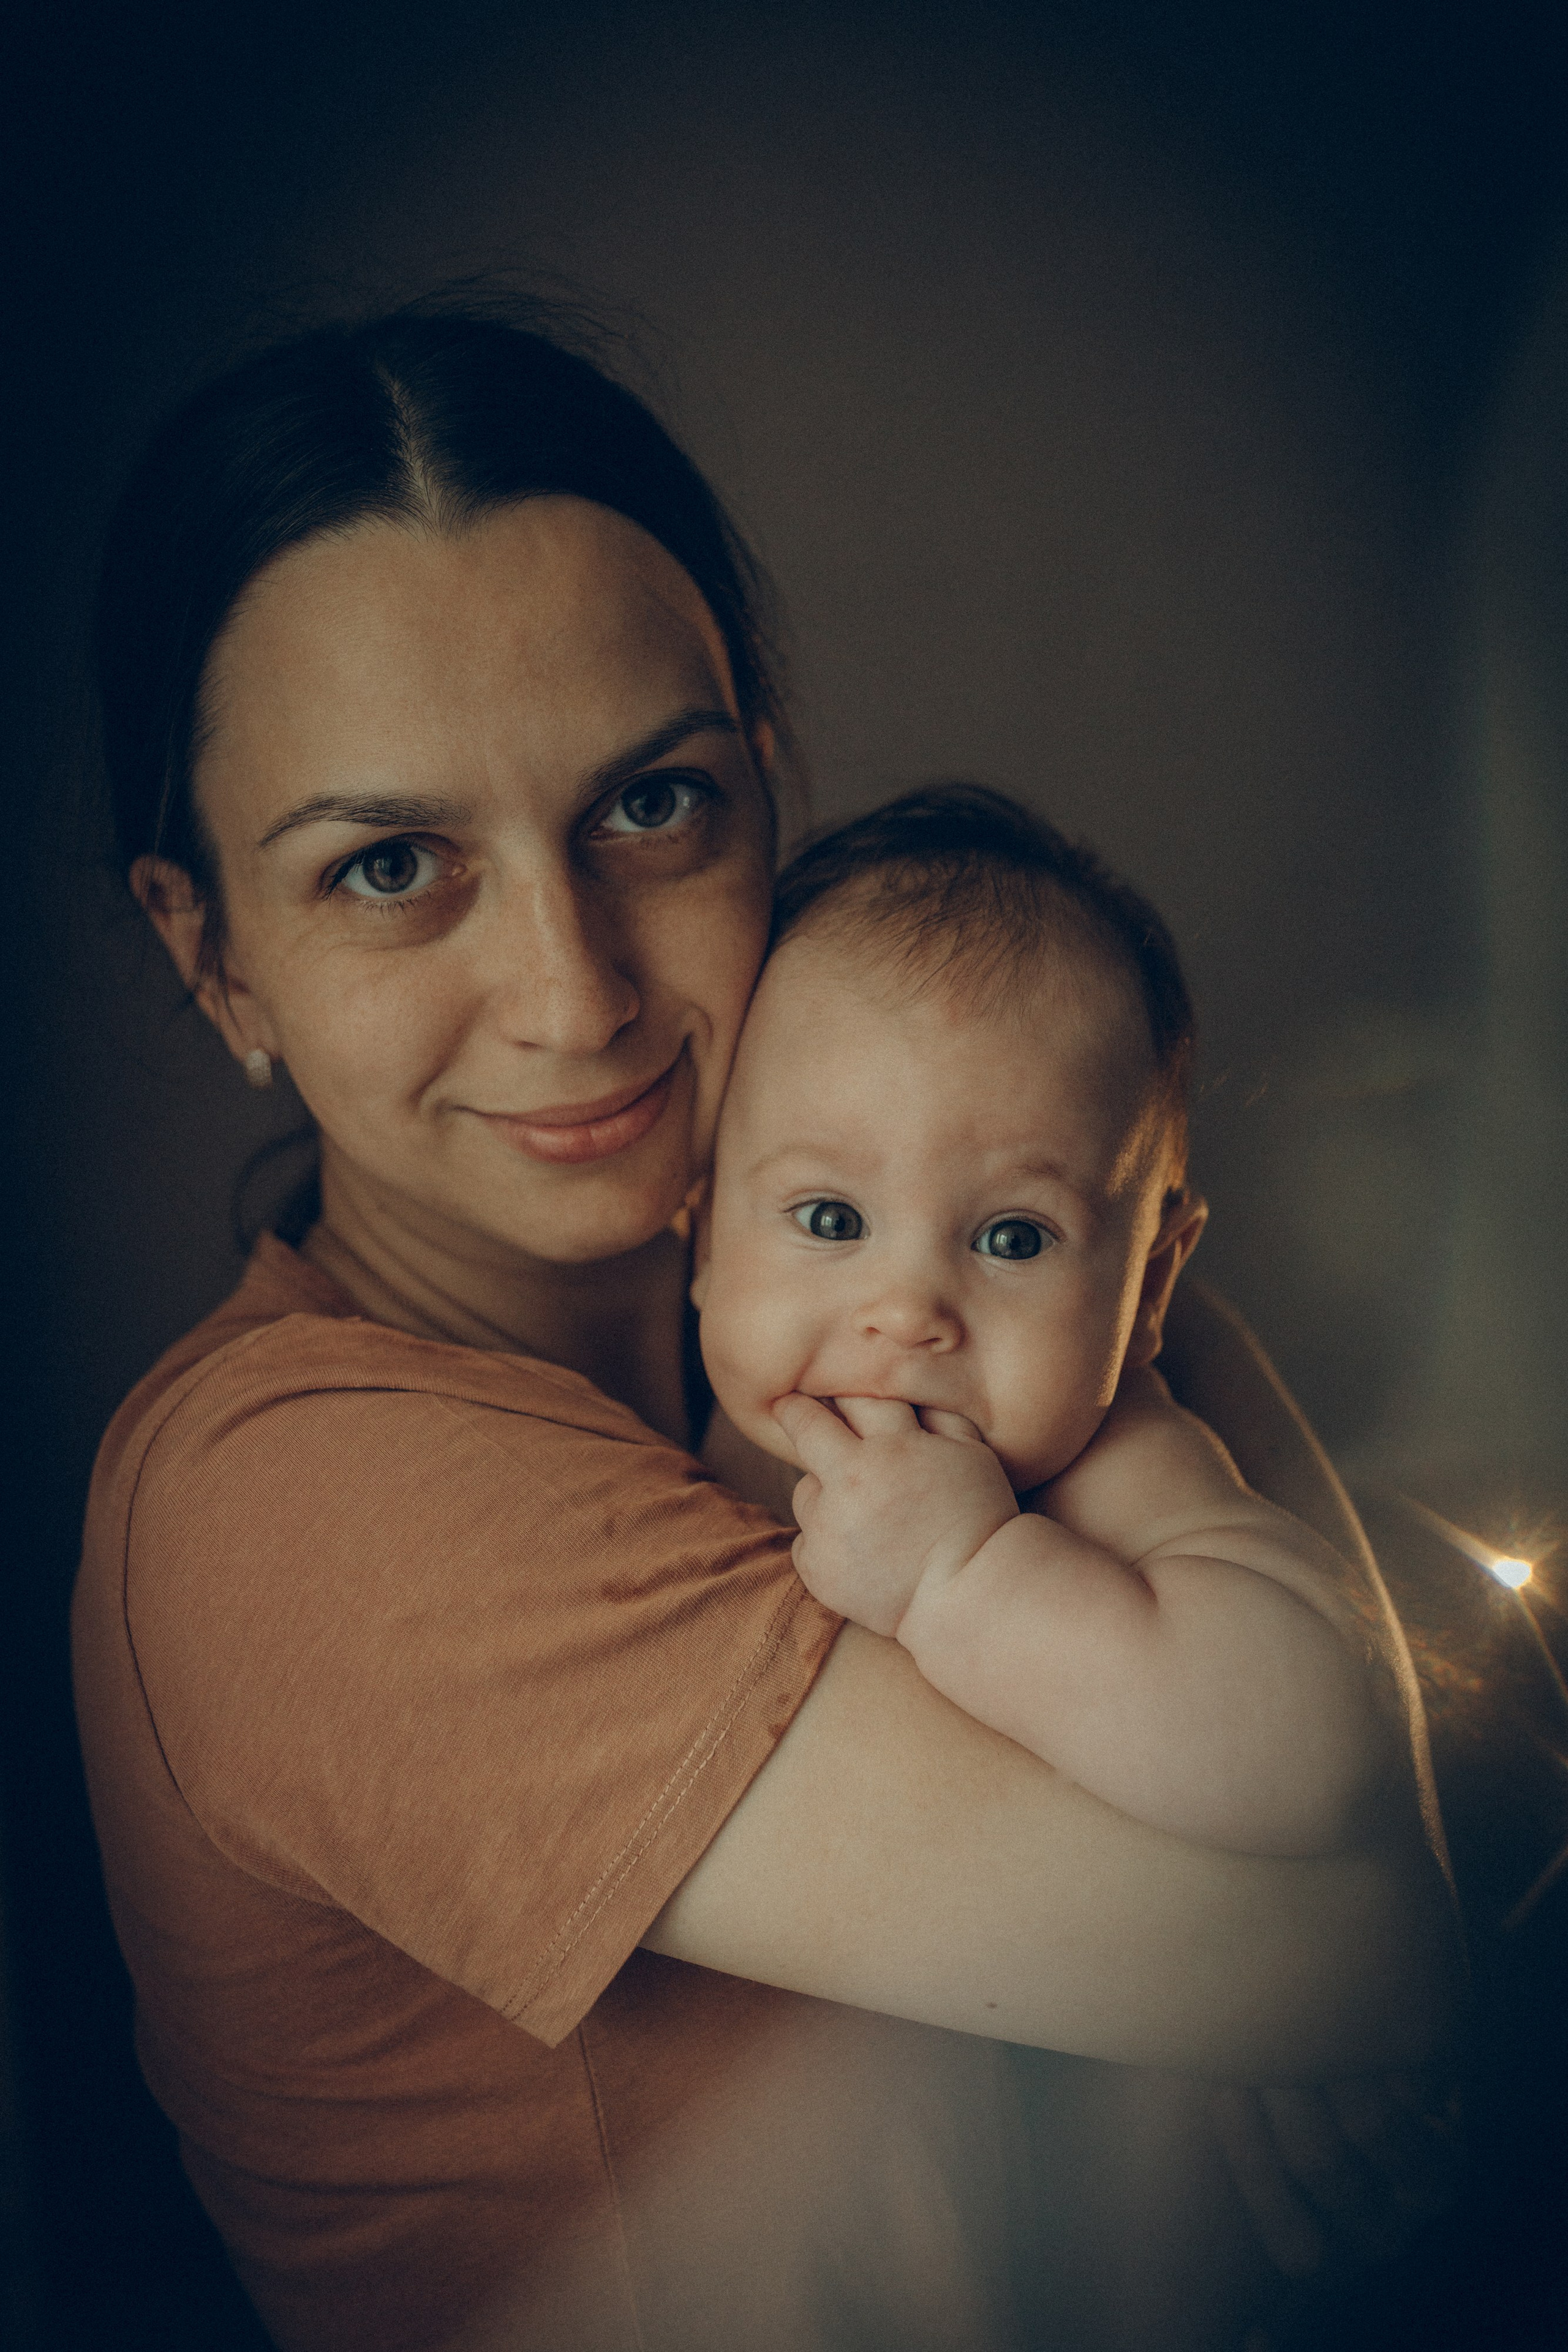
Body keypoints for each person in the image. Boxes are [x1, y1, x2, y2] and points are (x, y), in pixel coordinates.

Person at [72, 306, 1458, 2352]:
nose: (574, 992)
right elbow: (1374, 1944)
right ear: (215, 958)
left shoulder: (936, 1267)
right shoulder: (287, 1504)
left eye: (652, 806)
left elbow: (1362, 1774)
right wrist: (1292, 1952)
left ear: (765, 791)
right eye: (390, 865)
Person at [695, 785, 1406, 1861]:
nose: (908, 1312)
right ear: (703, 1235)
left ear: (1150, 1289)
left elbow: (1317, 1750)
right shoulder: (631, 1413)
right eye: (832, 1219)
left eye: (1014, 1238)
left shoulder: (1116, 1467)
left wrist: (967, 1575)